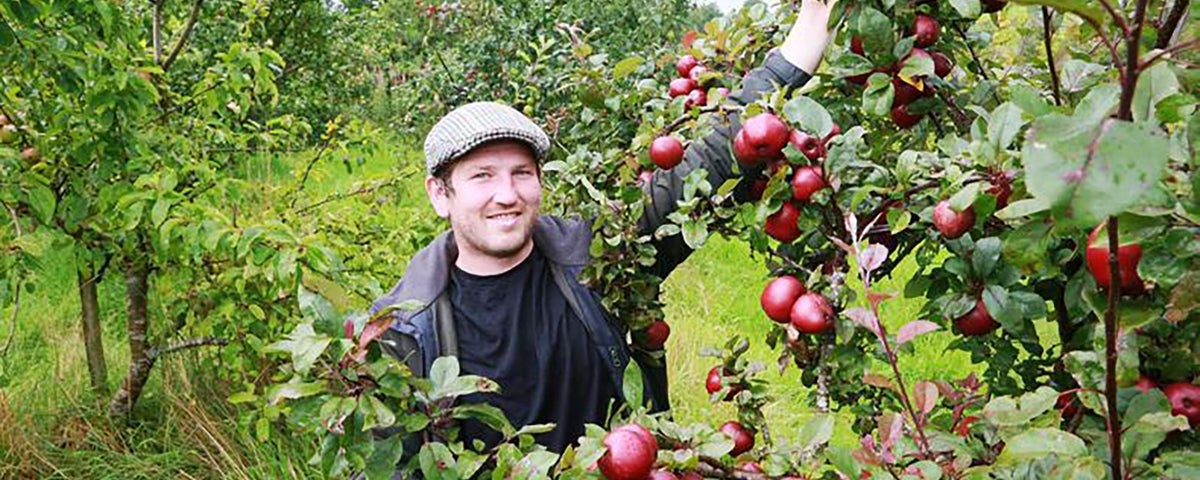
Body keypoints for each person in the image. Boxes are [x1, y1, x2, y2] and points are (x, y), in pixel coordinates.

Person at [370, 0, 837, 456]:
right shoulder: (401, 333)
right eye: (482, 176)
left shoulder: (600, 258)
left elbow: (714, 157)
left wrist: (810, 30)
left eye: (522, 173)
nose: (507, 194)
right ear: (438, 193)